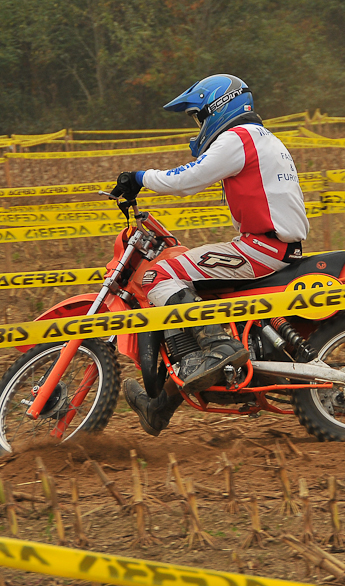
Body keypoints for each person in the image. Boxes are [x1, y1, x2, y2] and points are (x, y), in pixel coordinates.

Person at [110, 74, 309, 436]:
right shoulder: (262, 137)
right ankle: (160, 406)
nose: (198, 126)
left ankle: (218, 347)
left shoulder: (238, 138)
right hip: (273, 246)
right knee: (189, 291)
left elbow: (186, 179)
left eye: (198, 117)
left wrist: (139, 177)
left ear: (218, 107)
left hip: (262, 249)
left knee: (159, 276)